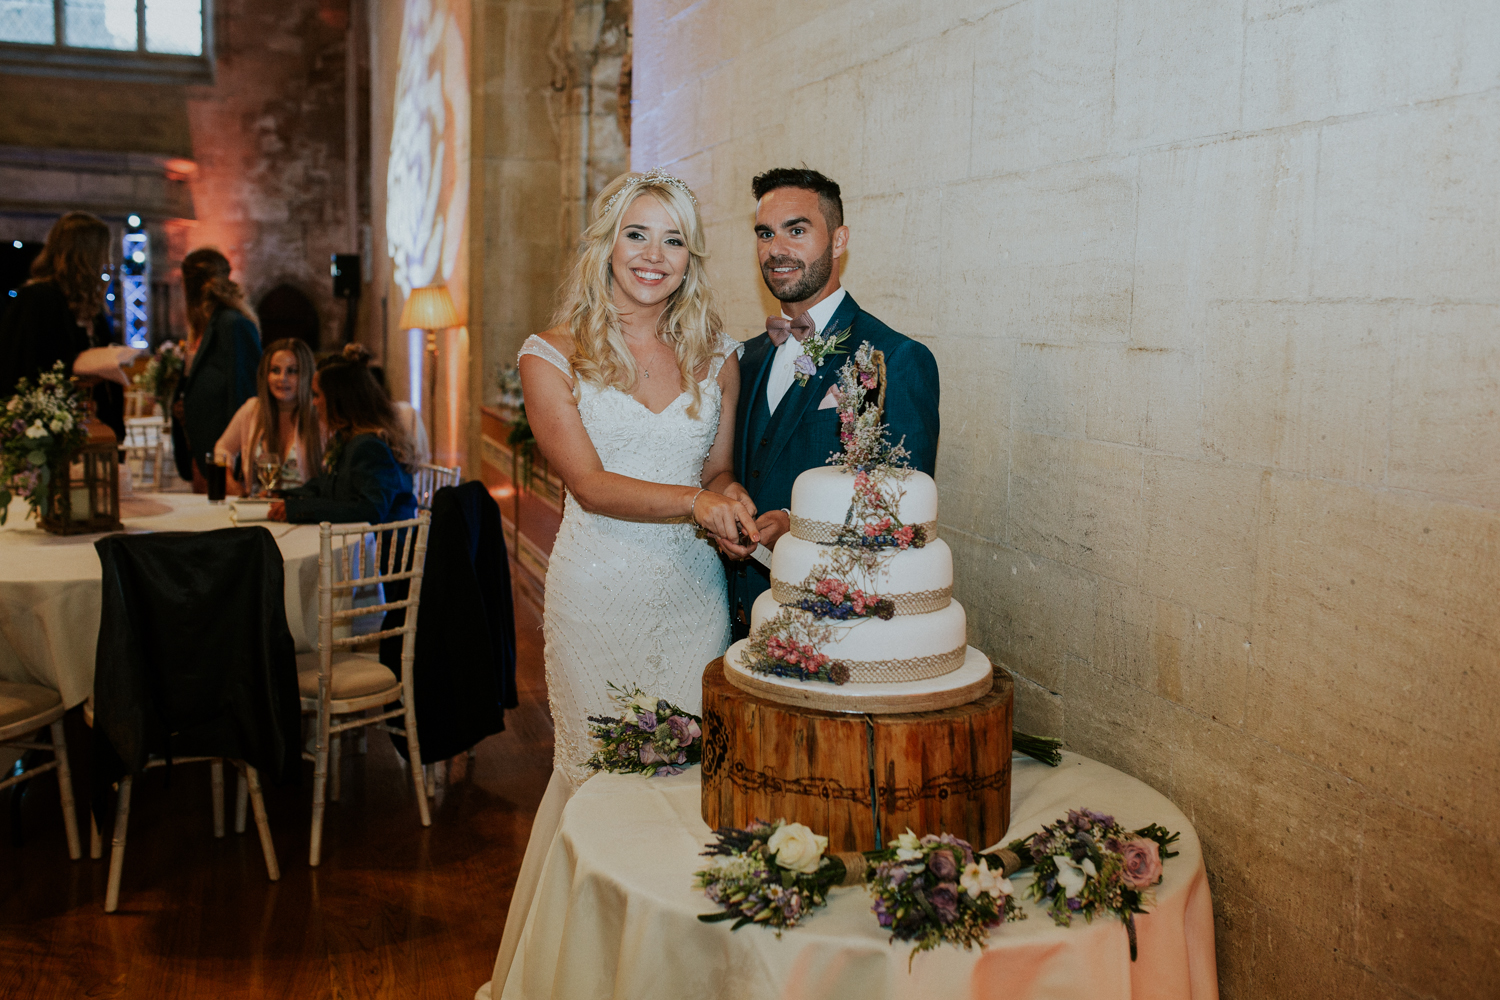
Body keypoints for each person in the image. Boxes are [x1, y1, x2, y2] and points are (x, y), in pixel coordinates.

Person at [485, 168, 755, 993]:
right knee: (598, 787)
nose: (654, 255)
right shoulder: (551, 354)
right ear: (606, 242)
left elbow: (716, 469)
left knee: (681, 794)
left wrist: (735, 505)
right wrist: (700, 504)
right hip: (598, 596)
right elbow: (593, 485)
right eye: (638, 234)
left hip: (690, 603)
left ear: (691, 258)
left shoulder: (718, 356)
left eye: (673, 239)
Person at [719, 168, 941, 638]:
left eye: (796, 230)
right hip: (734, 617)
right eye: (765, 233)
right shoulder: (744, 357)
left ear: (838, 240)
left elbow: (902, 511)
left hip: (832, 628)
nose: (777, 249)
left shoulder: (893, 359)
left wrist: (800, 525)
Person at [0, 212, 130, 439]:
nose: (107, 263)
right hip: (45, 434)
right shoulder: (37, 299)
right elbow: (22, 367)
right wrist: (77, 372)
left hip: (93, 429)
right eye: (102, 253)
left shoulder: (92, 308)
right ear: (83, 256)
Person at [268, 350, 417, 525]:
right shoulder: (345, 437)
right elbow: (326, 486)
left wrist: (301, 510)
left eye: (317, 395)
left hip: (377, 547)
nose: (314, 403)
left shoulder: (370, 447)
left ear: (338, 400)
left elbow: (371, 509)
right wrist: (283, 495)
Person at [177, 249, 262, 486]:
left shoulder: (233, 324)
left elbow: (245, 391)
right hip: (201, 445)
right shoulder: (203, 326)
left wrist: (237, 458)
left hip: (223, 450)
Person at [213, 337, 323, 493]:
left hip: (302, 513)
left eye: (292, 371)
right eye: (275, 370)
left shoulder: (320, 415)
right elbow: (223, 449)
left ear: (306, 375)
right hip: (256, 511)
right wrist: (232, 484)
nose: (282, 378)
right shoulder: (252, 410)